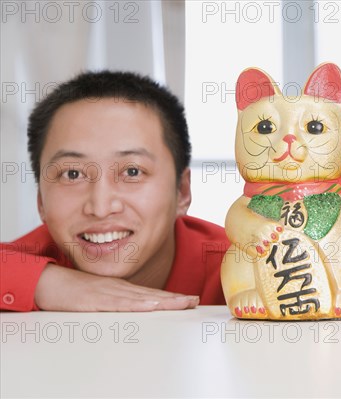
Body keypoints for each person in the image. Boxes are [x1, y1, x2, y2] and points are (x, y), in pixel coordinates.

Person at [0, 71, 229, 312]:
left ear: (181, 192)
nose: (100, 208)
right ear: (41, 202)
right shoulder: (27, 260)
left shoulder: (244, 264)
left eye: (132, 172)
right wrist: (44, 283)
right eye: (72, 174)